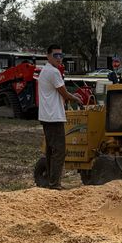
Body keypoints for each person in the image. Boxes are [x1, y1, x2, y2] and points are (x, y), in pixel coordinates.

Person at [37, 45, 81, 190]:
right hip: (54, 116)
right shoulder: (54, 72)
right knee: (59, 151)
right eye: (56, 55)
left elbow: (61, 93)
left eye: (61, 55)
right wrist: (76, 98)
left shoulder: (45, 70)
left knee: (51, 150)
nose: (59, 58)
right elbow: (64, 93)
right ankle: (54, 184)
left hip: (46, 116)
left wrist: (72, 96)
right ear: (48, 56)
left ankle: (51, 181)